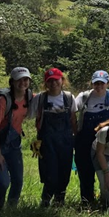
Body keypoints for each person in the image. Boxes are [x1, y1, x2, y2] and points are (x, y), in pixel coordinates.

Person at [0, 67, 32, 209]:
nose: (23, 82)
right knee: (3, 182)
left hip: (13, 144)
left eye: (26, 79)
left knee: (18, 180)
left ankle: (11, 209)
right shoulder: (3, 101)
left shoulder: (29, 97)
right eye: (19, 80)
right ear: (12, 82)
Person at [74, 70, 109, 204]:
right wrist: (73, 130)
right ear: (91, 83)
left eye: (102, 83)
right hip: (85, 139)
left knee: (106, 170)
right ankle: (86, 200)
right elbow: (70, 110)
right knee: (85, 171)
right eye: (96, 83)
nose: (99, 86)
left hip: (107, 140)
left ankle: (107, 199)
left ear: (108, 83)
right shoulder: (84, 96)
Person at [31, 68, 77, 207]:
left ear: (62, 80)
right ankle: (46, 199)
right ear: (45, 83)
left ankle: (59, 199)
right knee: (49, 172)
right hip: (46, 142)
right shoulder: (40, 98)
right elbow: (30, 115)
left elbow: (73, 120)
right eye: (49, 81)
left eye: (56, 80)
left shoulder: (69, 98)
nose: (53, 84)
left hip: (66, 141)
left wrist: (76, 140)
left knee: (64, 172)